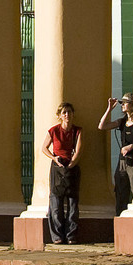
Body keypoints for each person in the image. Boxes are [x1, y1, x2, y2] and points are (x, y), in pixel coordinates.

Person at [46, 101, 84, 242]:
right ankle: (57, 236)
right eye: (64, 113)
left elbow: (79, 150)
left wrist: (72, 163)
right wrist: (54, 159)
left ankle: (71, 235)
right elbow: (44, 148)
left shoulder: (77, 131)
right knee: (56, 203)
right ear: (60, 116)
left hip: (72, 167)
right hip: (57, 167)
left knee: (73, 204)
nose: (67, 115)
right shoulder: (54, 131)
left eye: (69, 112)